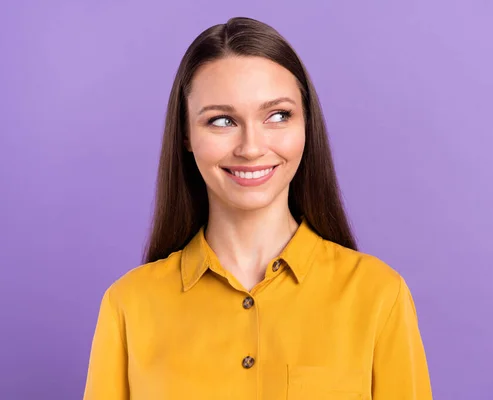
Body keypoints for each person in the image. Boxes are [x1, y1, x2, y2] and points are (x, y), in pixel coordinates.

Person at [83, 16, 432, 400]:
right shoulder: (128, 305)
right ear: (186, 134)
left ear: (306, 125)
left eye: (278, 116)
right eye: (221, 120)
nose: (251, 147)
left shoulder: (379, 295)